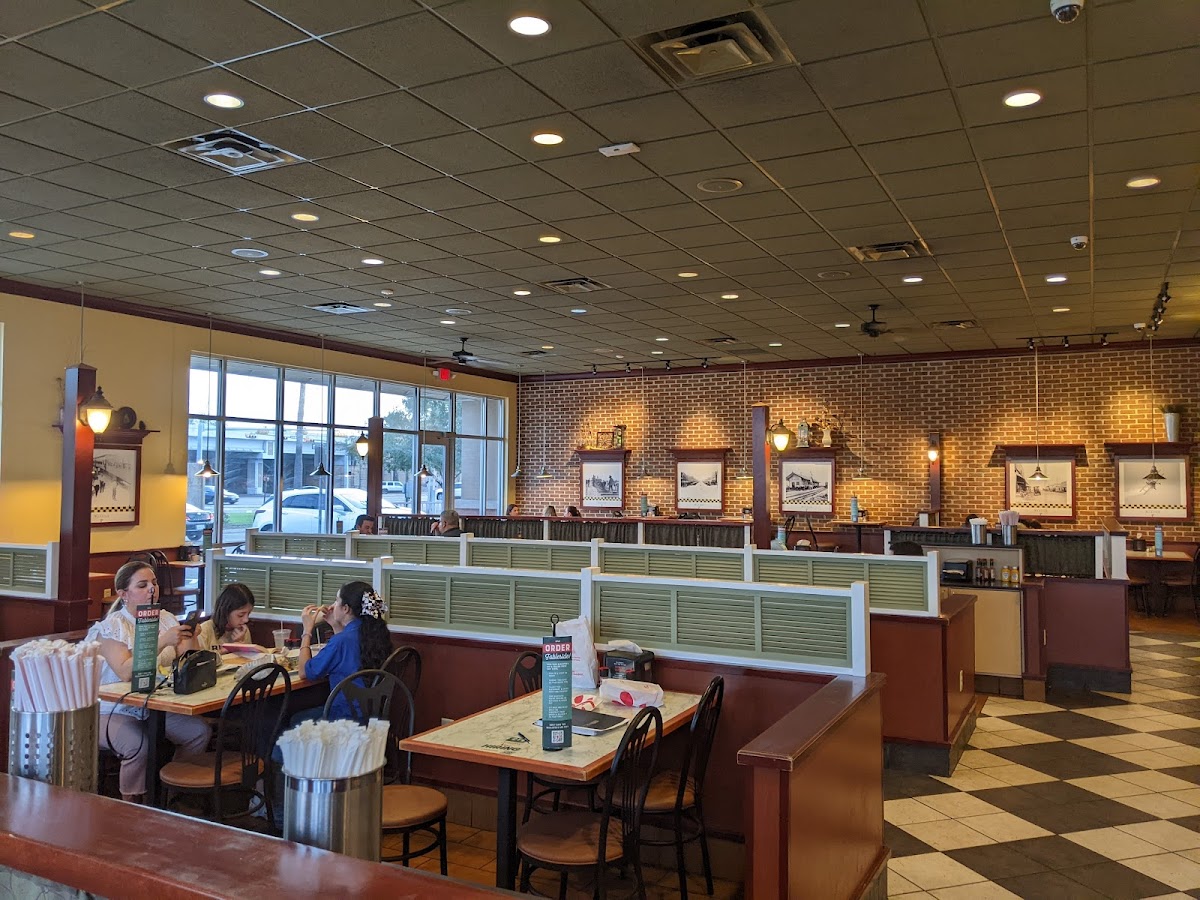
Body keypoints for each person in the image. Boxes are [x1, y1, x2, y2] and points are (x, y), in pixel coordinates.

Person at [92, 561, 211, 803]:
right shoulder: (112, 627)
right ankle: (132, 808)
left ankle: (170, 795)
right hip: (111, 708)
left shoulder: (166, 619)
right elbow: (126, 672)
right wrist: (163, 641)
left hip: (155, 705)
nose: (151, 590)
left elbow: (189, 661)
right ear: (124, 594)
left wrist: (192, 637)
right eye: (143, 585)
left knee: (198, 732)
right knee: (139, 745)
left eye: (154, 583)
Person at [295, 581, 393, 721]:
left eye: (336, 601)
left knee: (295, 719)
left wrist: (307, 631)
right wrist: (336, 625)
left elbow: (304, 672)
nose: (333, 605)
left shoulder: (341, 641)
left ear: (346, 608)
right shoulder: (376, 634)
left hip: (345, 720)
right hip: (373, 718)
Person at [194, 583, 254, 652]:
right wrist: (229, 649)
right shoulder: (204, 631)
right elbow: (200, 660)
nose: (246, 620)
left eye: (248, 614)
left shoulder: (243, 631)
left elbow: (248, 660)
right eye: (240, 615)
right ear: (226, 611)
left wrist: (240, 645)